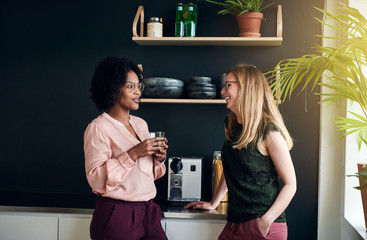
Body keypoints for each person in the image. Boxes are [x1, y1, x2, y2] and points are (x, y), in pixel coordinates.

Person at [184, 64, 297, 240]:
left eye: (228, 85)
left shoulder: (269, 132)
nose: (222, 91)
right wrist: (214, 202)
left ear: (246, 89)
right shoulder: (230, 124)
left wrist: (266, 221)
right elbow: (231, 168)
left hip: (262, 226)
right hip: (234, 223)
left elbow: (291, 184)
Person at [84, 56, 168, 240]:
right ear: (113, 89)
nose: (138, 92)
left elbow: (145, 175)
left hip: (149, 212)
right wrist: (133, 153)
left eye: (139, 86)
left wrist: (158, 159)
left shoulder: (141, 124)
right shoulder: (98, 128)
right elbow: (95, 180)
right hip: (117, 215)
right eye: (131, 86)